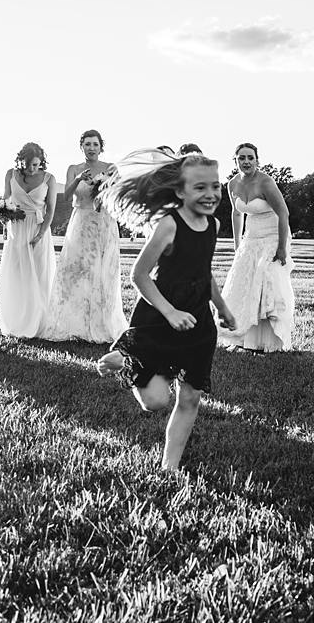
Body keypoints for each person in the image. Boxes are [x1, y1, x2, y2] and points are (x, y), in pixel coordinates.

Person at [96, 150, 236, 472]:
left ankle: (169, 467)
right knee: (155, 401)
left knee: (190, 399)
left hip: (197, 323)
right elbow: (139, 275)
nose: (211, 194)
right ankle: (127, 357)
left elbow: (204, 272)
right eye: (200, 187)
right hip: (160, 317)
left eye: (215, 186)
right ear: (180, 191)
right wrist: (171, 312)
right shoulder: (168, 225)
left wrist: (222, 306)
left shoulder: (212, 224)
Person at [44, 130, 127, 343]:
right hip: (81, 222)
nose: (91, 148)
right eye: (87, 144)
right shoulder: (74, 169)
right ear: (81, 147)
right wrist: (79, 179)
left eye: (95, 144)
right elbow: (66, 196)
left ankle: (103, 323)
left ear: (101, 147)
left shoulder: (111, 169)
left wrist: (105, 189)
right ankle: (77, 324)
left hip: (104, 223)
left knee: (103, 273)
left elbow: (120, 195)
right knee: (77, 272)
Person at [219, 142, 295, 352]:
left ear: (256, 160)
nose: (246, 162)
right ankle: (243, 339)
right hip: (251, 236)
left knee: (265, 277)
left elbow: (284, 214)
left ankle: (271, 340)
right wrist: (237, 246)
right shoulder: (232, 184)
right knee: (244, 282)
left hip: (273, 233)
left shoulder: (266, 182)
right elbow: (236, 213)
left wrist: (281, 248)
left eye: (250, 158)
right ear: (235, 161)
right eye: (242, 158)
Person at [0, 143, 57, 337]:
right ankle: (17, 320)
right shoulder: (10, 175)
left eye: (36, 165)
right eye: (29, 165)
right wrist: (5, 226)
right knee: (16, 273)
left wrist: (40, 234)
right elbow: (5, 203)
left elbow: (51, 210)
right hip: (16, 227)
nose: (32, 169)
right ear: (21, 161)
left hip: (38, 228)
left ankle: (39, 322)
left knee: (39, 274)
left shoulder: (49, 179)